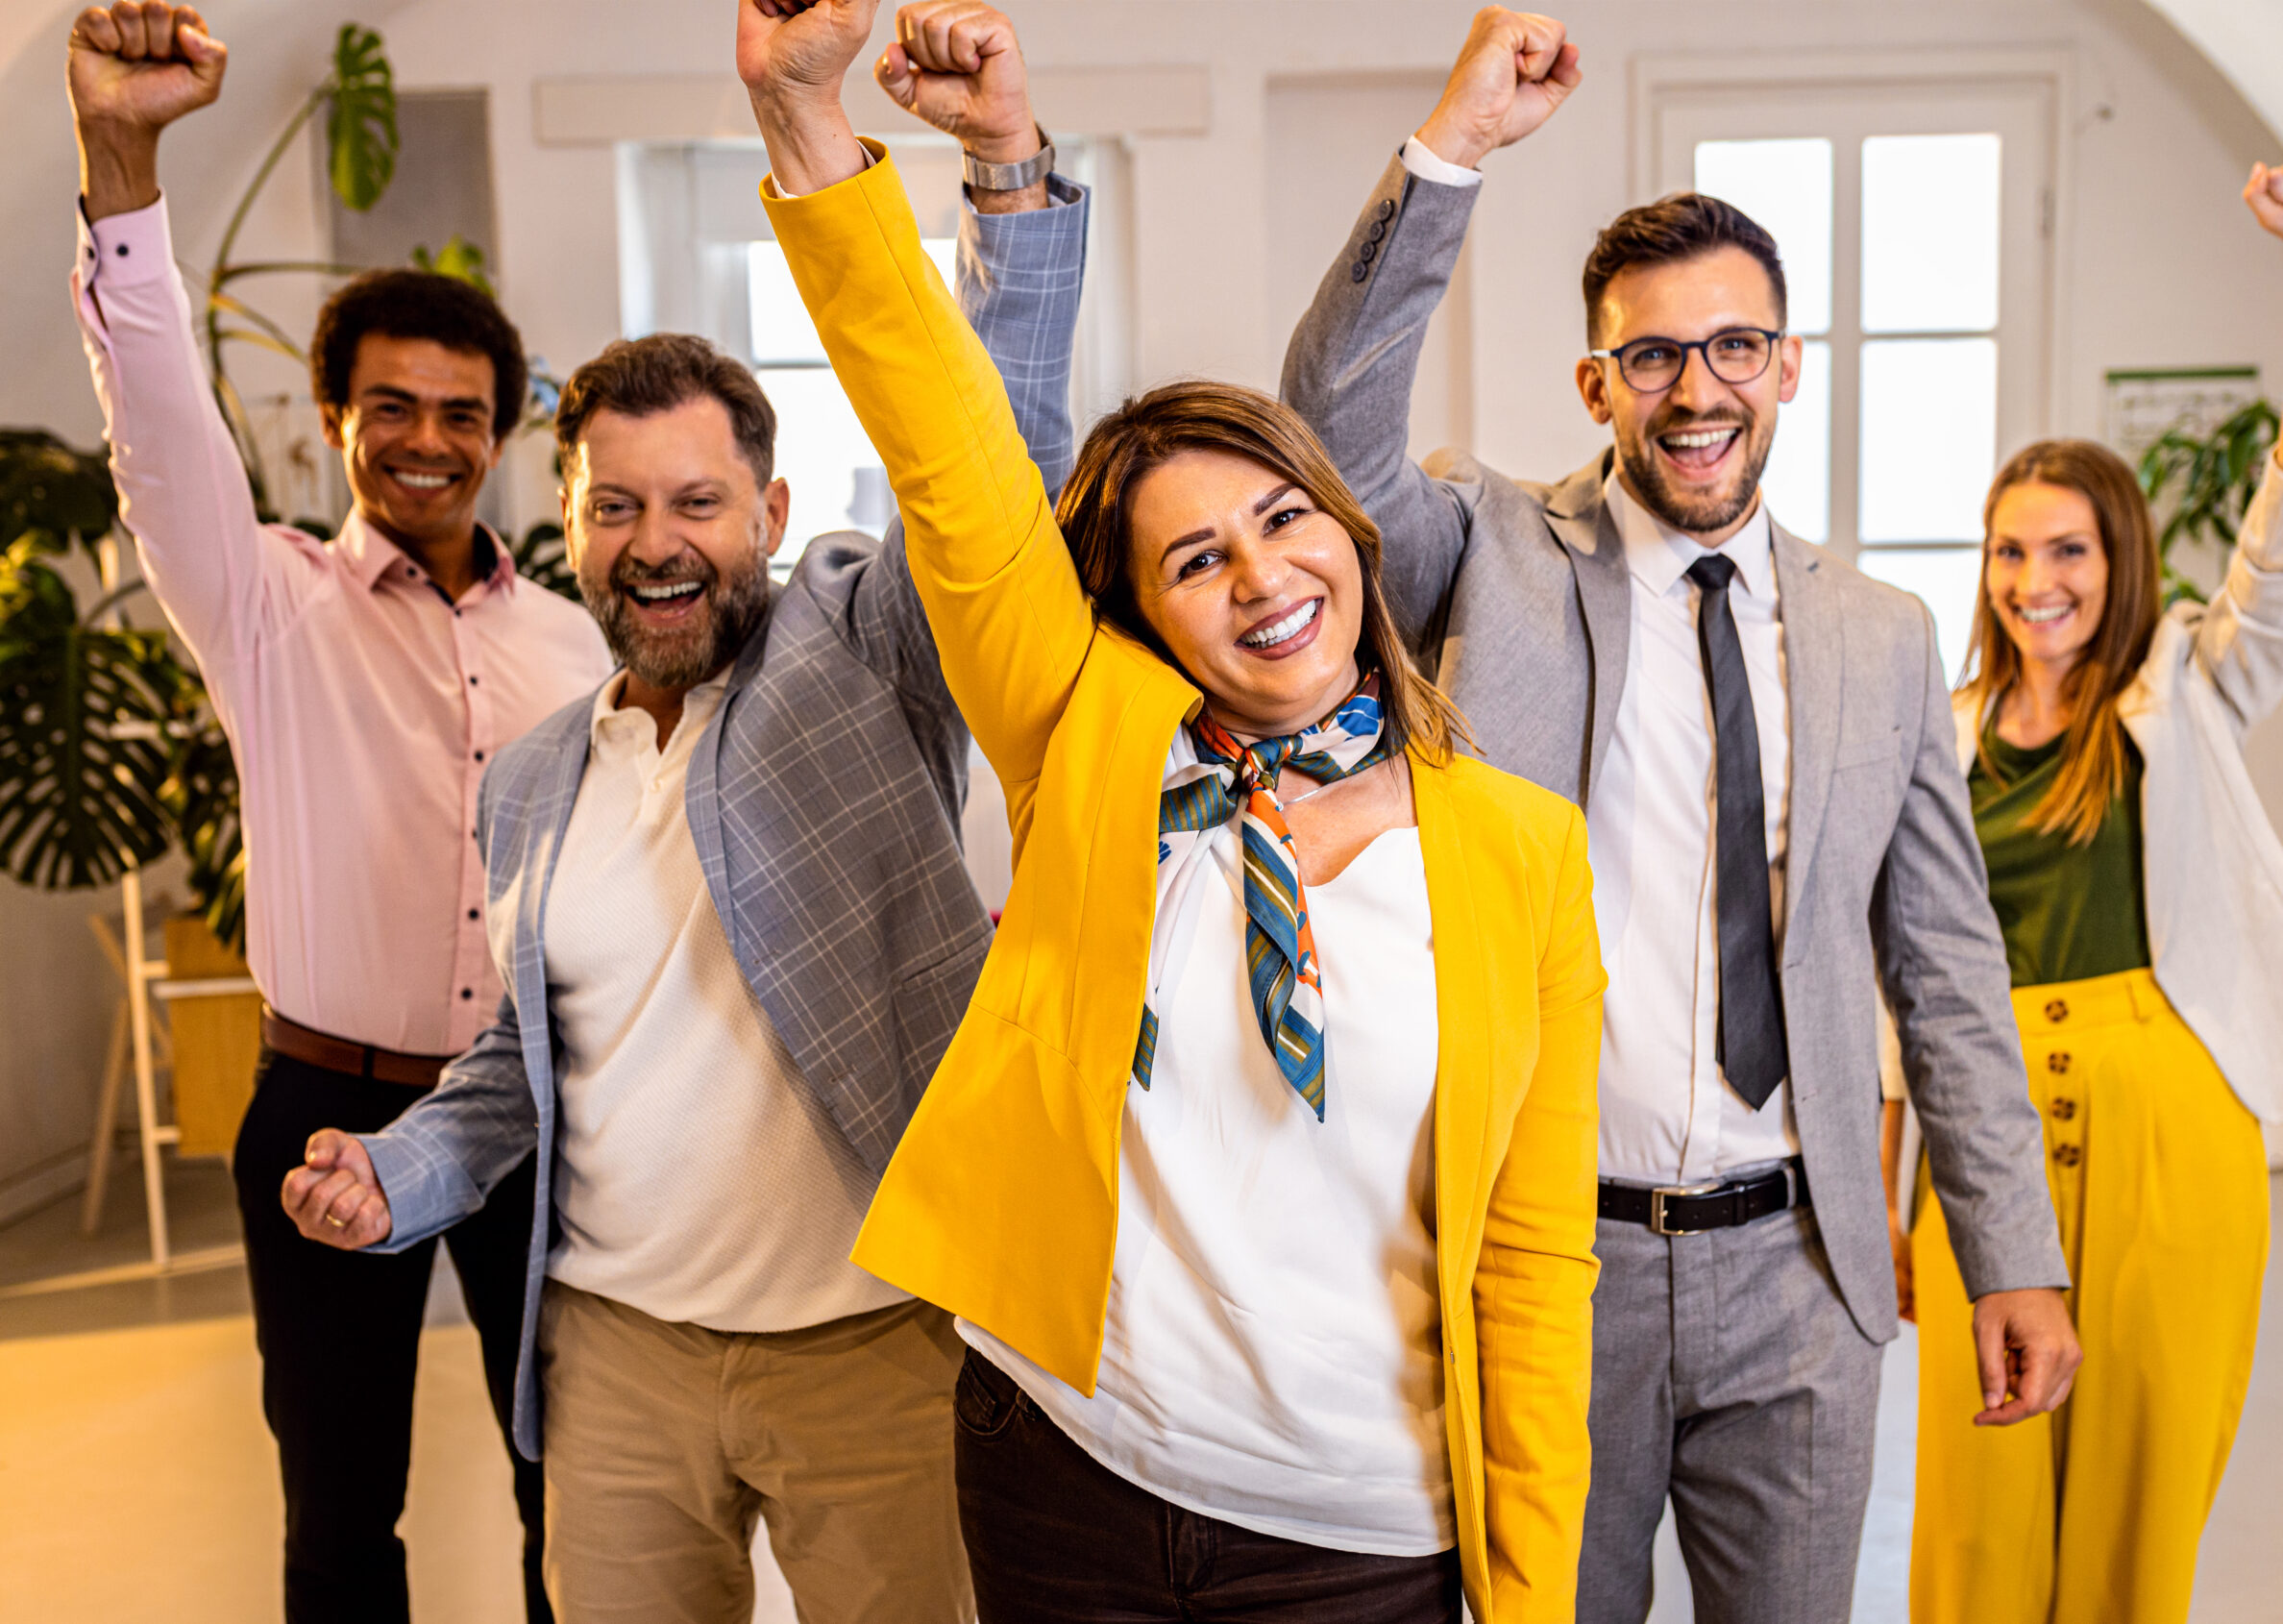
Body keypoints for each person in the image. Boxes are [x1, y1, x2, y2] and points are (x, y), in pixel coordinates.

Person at [737, 3, 1608, 1618]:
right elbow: (950, 457)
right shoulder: (1091, 747)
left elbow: (1535, 1260)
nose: (1267, 575)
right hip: (1064, 1460)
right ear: (1137, 616)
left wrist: (1536, 1593)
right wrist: (807, 119)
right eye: (1197, 559)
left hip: (1364, 1523)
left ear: (1349, 532)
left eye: (1288, 518)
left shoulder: (1519, 854)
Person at [273, 11, 1089, 1615]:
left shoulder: (857, 647)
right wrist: (403, 1174)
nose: (660, 541)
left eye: (700, 504)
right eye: (619, 503)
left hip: (873, 1342)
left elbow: (983, 455)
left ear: (772, 515)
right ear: (566, 518)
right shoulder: (533, 780)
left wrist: (999, 168)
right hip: (617, 1358)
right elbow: (519, 1063)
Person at [1279, 12, 2082, 1622]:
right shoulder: (1486, 552)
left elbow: (1945, 969)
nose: (1695, 389)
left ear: (1788, 365)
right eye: (1652, 354)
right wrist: (1456, 147)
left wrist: (2013, 1245)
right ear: (1599, 378)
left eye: (1734, 347)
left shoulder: (1882, 635)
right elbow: (1324, 421)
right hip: (1544, 1257)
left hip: (1802, 1270)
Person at [66, 7, 609, 1617]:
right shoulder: (262, 606)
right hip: (325, 1107)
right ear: (333, 421)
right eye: (393, 407)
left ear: (502, 435)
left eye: (462, 413)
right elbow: (158, 423)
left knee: (565, 1489)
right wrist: (124, 156)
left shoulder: (569, 639)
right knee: (339, 1507)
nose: (428, 439)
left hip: (535, 1113)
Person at [1898, 160, 2283, 1624]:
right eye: (2008, 548)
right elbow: (1902, 970)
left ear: (2121, 559)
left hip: (2175, 1121)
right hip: (1981, 1123)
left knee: (2141, 1482)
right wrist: (1888, 1172)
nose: (2032, 578)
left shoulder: (2191, 682)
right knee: (1974, 1498)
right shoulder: (1941, 724)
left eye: (2066, 548)